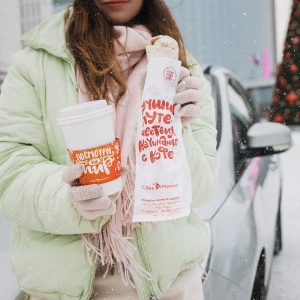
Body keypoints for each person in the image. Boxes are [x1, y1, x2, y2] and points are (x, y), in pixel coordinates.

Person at [0, 0, 218, 299]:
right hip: (65, 291)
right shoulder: (34, 65)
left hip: (169, 288)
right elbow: (9, 169)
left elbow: (203, 188)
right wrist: (67, 197)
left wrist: (178, 128)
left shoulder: (183, 69)